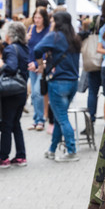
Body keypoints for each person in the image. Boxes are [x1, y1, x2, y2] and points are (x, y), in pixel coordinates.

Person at [34, 11, 81, 162]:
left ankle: (72, 150)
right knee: (61, 116)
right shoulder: (74, 37)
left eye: (53, 20)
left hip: (58, 82)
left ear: (57, 22)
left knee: (61, 117)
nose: (51, 23)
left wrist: (41, 65)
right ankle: (52, 150)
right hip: (73, 81)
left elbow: (37, 50)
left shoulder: (54, 36)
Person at [0, 22, 30, 169]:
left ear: (10, 35)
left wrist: (1, 64)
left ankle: (3, 157)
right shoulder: (24, 48)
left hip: (11, 93)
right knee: (15, 124)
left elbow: (11, 67)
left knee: (6, 124)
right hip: (21, 91)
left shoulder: (11, 49)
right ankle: (20, 156)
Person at [26, 7, 50, 131]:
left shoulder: (48, 30)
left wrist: (37, 64)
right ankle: (36, 119)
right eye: (35, 17)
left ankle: (41, 120)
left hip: (42, 65)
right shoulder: (31, 28)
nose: (36, 20)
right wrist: (26, 38)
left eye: (39, 18)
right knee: (34, 95)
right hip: (31, 65)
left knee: (37, 92)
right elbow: (28, 47)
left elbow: (46, 50)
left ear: (44, 18)